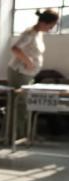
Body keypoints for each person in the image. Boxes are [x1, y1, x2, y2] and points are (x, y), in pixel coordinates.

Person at [8, 8, 60, 139]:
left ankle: (25, 135)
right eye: (51, 26)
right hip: (19, 72)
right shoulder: (29, 33)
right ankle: (17, 136)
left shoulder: (38, 34)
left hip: (28, 74)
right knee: (20, 104)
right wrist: (28, 62)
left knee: (26, 104)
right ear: (44, 23)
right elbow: (15, 48)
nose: (51, 29)